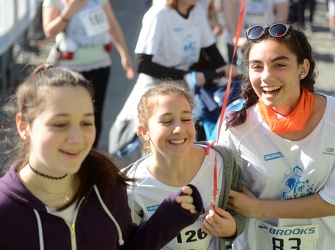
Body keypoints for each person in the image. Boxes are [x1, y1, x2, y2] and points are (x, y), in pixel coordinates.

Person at [0, 64, 204, 249]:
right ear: (23, 126)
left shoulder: (108, 188)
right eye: (60, 124)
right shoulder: (5, 212)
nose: (77, 138)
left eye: (86, 123)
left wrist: (170, 214)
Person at [218, 23, 335, 249]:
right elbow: (225, 198)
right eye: (257, 66)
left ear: (302, 68)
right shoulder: (237, 125)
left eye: (279, 64)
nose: (266, 77)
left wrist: (258, 209)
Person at [108, 0, 237, 162]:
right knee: (153, 136)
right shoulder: (158, 14)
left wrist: (225, 66)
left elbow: (209, 48)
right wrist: (185, 75)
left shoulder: (196, 11)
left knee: (185, 133)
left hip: (182, 82)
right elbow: (142, 63)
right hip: (155, 83)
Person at [124, 81, 246, 249]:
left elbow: (240, 213)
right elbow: (128, 243)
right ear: (144, 132)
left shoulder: (222, 161)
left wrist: (232, 227)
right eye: (166, 121)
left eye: (186, 118)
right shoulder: (131, 186)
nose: (178, 128)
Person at [42, 0, 135, 148]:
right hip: (70, 68)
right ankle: (70, 153)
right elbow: (49, 31)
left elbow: (111, 23)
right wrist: (69, 11)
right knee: (71, 114)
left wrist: (125, 55)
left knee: (94, 115)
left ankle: (92, 158)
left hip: (100, 64)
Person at [221, 0, 289, 65]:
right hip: (239, 44)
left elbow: (282, 11)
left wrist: (274, 36)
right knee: (238, 74)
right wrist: (236, 37)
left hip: (267, 43)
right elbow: (228, 8)